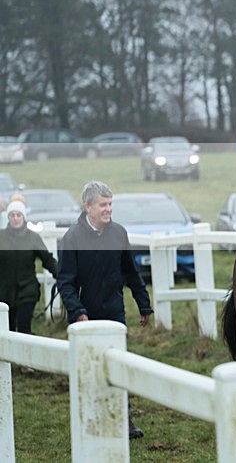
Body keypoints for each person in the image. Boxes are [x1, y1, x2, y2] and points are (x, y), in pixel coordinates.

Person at [56, 181, 153, 440]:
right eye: (103, 205)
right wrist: (77, 311)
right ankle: (91, 419)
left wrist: (143, 304)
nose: (108, 209)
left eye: (110, 204)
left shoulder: (118, 233)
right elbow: (64, 281)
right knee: (90, 369)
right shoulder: (72, 237)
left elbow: (131, 271)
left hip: (114, 311)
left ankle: (125, 419)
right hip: (84, 314)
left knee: (118, 364)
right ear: (88, 207)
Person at [0, 200, 58, 334]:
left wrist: (62, 276)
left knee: (23, 327)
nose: (15, 218)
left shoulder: (33, 238)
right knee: (7, 330)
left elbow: (47, 260)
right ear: (8, 217)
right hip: (4, 292)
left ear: (24, 217)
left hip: (27, 291)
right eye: (12, 215)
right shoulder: (1, 237)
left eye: (18, 215)